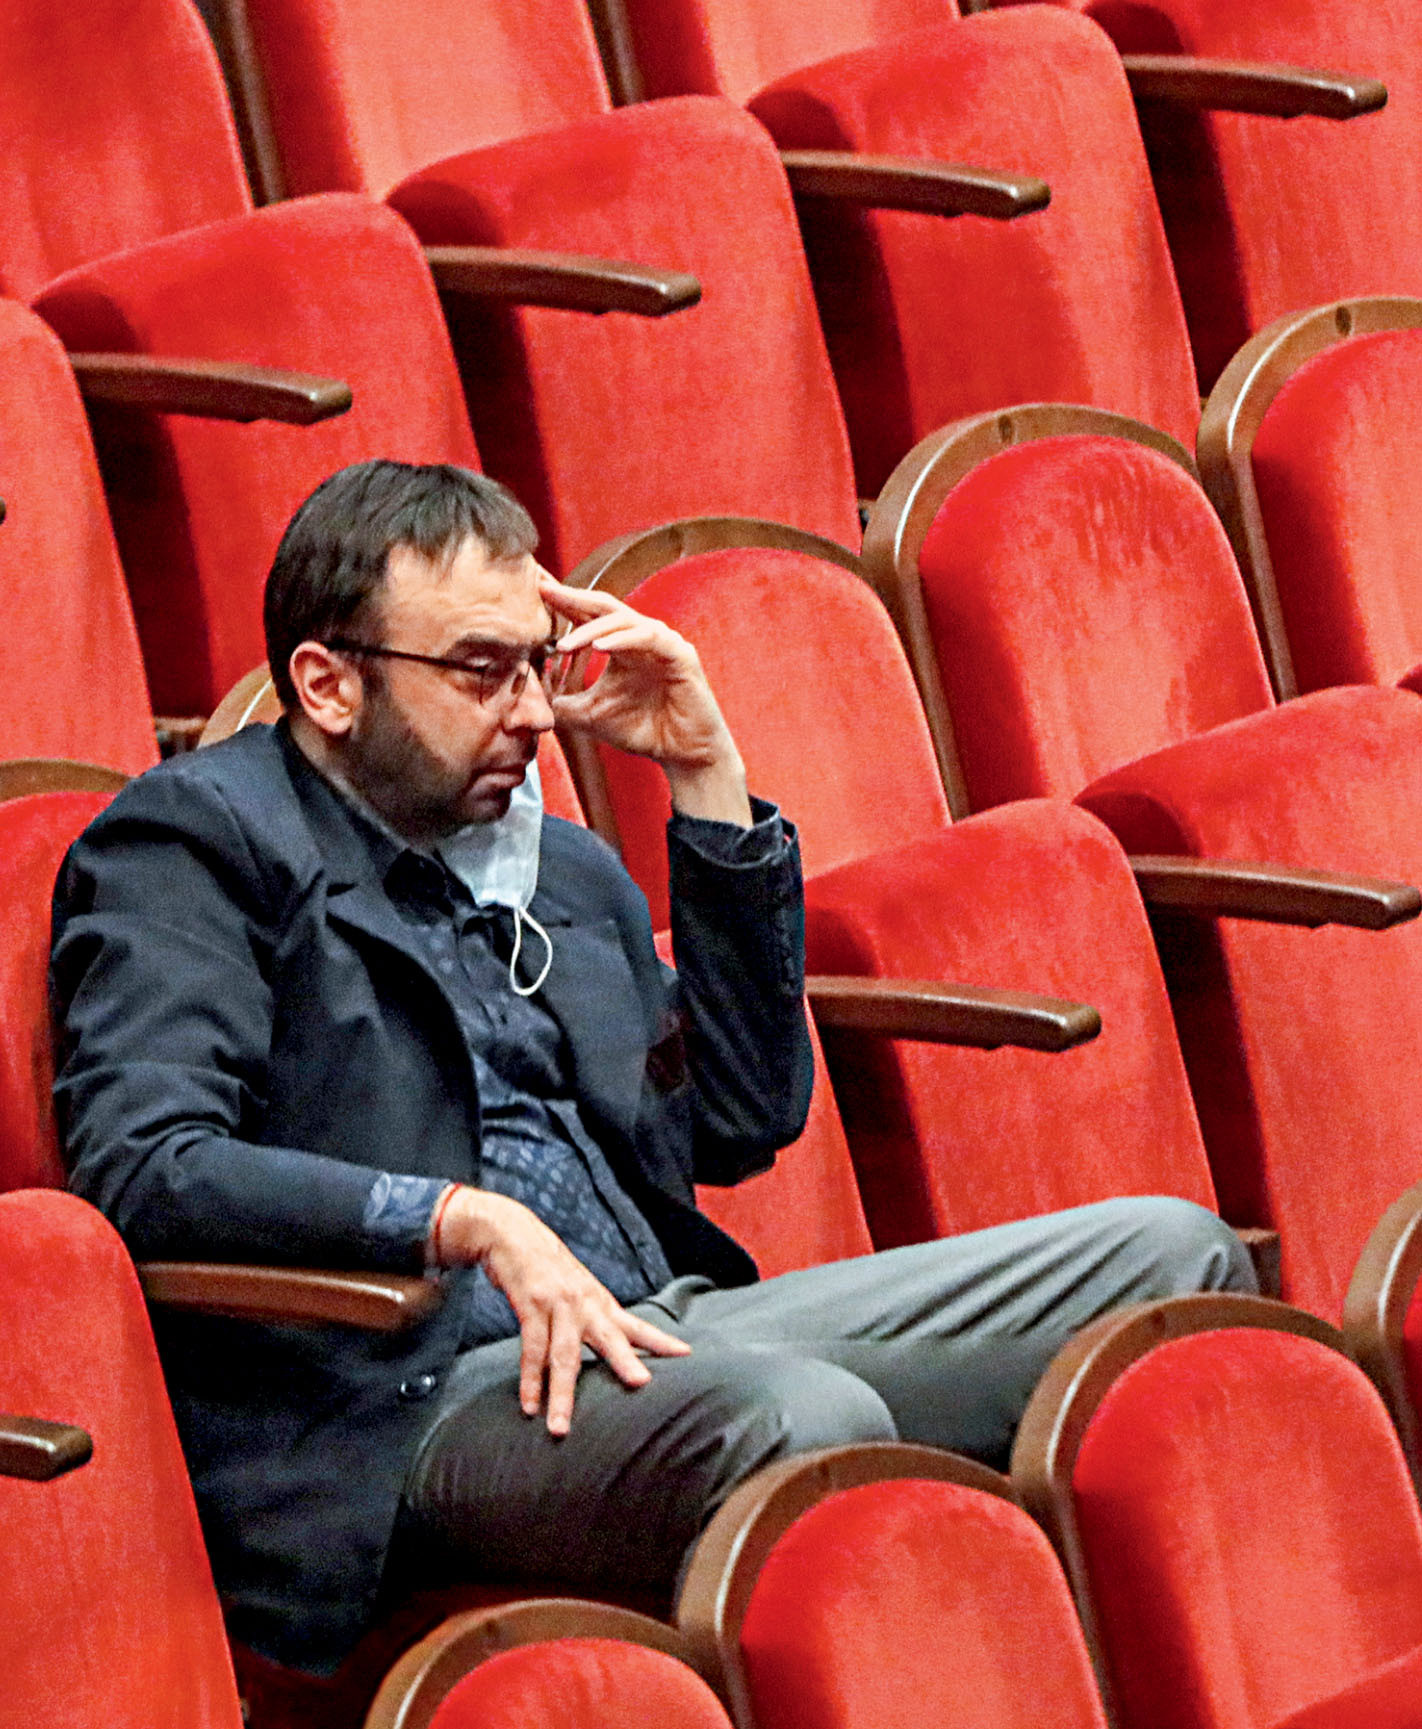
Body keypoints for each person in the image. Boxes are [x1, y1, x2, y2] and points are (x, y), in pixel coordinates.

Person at [51, 460, 1255, 1674]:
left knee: (1171, 1261)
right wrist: (458, 1219)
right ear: (329, 683)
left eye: (538, 663)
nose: (531, 711)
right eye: (481, 670)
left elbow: (741, 1116)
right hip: (409, 1395)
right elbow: (146, 1164)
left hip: (658, 1330)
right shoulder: (195, 842)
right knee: (805, 1418)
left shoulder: (554, 865)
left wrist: (706, 780)